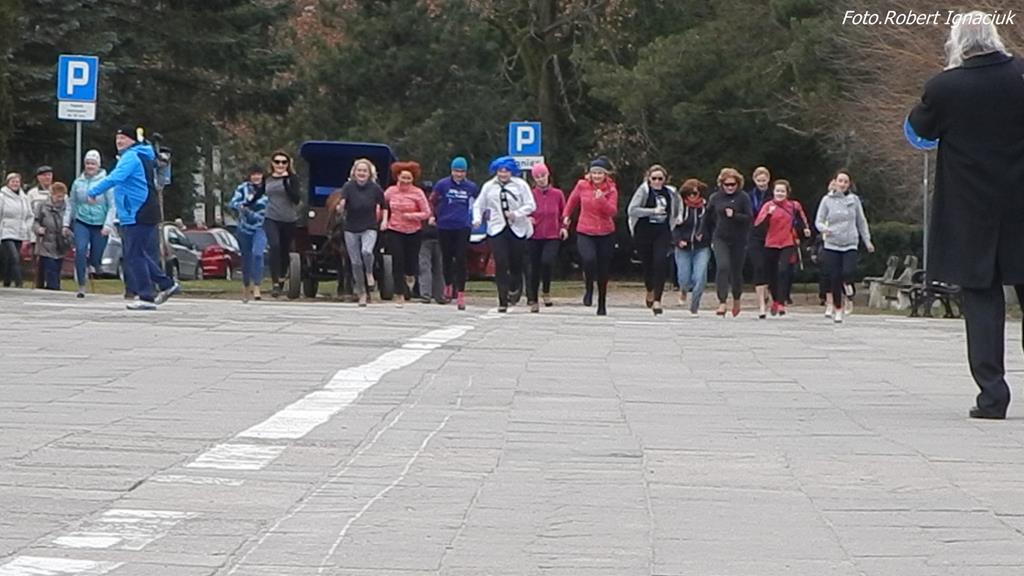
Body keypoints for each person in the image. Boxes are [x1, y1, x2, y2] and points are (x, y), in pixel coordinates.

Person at [907, 12, 1024, 420]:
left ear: (956, 44)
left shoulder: (945, 87)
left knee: (981, 301)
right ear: (996, 37)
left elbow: (917, 134)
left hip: (972, 210)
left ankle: (993, 396)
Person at [88, 126, 180, 310]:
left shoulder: (131, 156)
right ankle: (166, 284)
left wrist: (93, 191)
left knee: (135, 255)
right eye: (117, 138)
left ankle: (146, 296)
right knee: (137, 253)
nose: (119, 141)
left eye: (123, 138)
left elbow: (116, 177)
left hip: (138, 211)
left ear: (132, 140)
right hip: (138, 211)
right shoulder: (140, 155)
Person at [473, 156, 535, 312]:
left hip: (517, 228)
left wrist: (517, 213)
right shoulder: (489, 186)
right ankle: (502, 299)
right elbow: (478, 205)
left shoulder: (521, 185)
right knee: (500, 262)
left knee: (516, 263)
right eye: (500, 171)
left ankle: (515, 286)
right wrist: (477, 219)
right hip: (496, 228)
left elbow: (530, 205)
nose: (503, 174)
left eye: (506, 171)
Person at [814, 170, 874, 324]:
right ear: (835, 182)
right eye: (840, 181)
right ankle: (838, 308)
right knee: (834, 277)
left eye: (846, 182)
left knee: (848, 272)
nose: (842, 184)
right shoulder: (827, 200)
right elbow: (818, 221)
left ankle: (848, 289)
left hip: (850, 243)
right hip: (832, 244)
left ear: (849, 184)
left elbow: (861, 221)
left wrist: (867, 241)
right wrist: (824, 229)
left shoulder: (854, 200)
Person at [562, 157, 618, 316]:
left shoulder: (611, 189)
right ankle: (588, 287)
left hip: (605, 233)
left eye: (600, 173)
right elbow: (572, 202)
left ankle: (602, 303)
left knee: (603, 269)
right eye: (594, 173)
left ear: (605, 174)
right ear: (590, 174)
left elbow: (612, 212)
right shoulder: (582, 185)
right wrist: (566, 216)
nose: (597, 176)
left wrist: (601, 199)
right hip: (585, 230)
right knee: (589, 259)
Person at [753, 179, 811, 317]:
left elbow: (802, 220)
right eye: (777, 191)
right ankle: (775, 299)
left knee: (783, 270)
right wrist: (768, 215)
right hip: (771, 243)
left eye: (782, 191)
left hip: (787, 242)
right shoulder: (768, 206)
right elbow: (758, 226)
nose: (779, 193)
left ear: (787, 193)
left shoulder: (793, 206)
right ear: (773, 192)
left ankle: (781, 301)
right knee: (772, 273)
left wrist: (805, 230)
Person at [628, 164, 680, 316]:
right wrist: (652, 211)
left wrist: (675, 221)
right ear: (649, 179)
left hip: (662, 232)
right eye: (654, 178)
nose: (657, 181)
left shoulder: (670, 192)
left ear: (665, 179)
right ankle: (649, 289)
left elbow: (676, 210)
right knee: (648, 264)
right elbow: (632, 210)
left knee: (660, 262)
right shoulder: (643, 191)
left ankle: (658, 299)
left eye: (660, 179)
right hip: (644, 232)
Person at [701, 168, 752, 317]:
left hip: (739, 239)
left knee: (736, 271)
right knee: (723, 266)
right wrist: (701, 232)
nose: (730, 187)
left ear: (738, 184)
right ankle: (722, 301)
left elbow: (749, 218)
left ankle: (736, 298)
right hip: (720, 237)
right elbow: (707, 217)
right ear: (721, 184)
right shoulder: (715, 197)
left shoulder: (743, 197)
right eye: (727, 184)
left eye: (733, 184)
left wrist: (735, 215)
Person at [336, 158, 387, 307]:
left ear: (369, 173)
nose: (362, 173)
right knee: (356, 262)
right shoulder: (348, 186)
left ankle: (369, 273)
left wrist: (384, 221)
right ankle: (362, 293)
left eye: (365, 171)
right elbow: (342, 202)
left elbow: (384, 205)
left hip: (369, 226)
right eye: (359, 170)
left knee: (366, 251)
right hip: (351, 227)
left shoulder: (375, 188)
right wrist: (341, 206)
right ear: (354, 172)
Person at [65, 150, 116, 298]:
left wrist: (108, 225)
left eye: (93, 163)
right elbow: (71, 204)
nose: (90, 166)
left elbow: (112, 206)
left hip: (100, 224)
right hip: (82, 221)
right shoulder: (78, 183)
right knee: (80, 250)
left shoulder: (106, 182)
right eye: (87, 163)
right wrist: (66, 224)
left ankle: (94, 263)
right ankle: (81, 284)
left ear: (98, 165)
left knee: (96, 256)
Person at [431, 156, 479, 310]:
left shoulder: (471, 187)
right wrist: (433, 216)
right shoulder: (442, 184)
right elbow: (432, 201)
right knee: (446, 257)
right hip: (444, 225)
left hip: (463, 226)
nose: (459, 174)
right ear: (451, 171)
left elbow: (478, 204)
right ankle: (448, 285)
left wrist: (477, 219)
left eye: (462, 171)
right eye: (456, 171)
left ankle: (461, 293)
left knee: (461, 258)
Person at [384, 161, 431, 305]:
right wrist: (381, 219)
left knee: (411, 262)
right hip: (394, 229)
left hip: (413, 231)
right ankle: (399, 293)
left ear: (413, 179)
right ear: (397, 177)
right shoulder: (390, 191)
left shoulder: (417, 193)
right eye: (403, 177)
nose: (405, 181)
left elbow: (426, 212)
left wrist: (411, 216)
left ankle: (410, 276)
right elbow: (382, 205)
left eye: (408, 178)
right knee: (397, 260)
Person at [261, 151, 300, 298]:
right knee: (274, 246)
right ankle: (275, 282)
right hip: (271, 217)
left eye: (284, 162)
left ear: (288, 164)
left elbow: (296, 199)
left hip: (289, 219)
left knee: (284, 251)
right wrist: (247, 203)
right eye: (277, 162)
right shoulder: (267, 178)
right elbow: (260, 193)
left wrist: (285, 182)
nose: (280, 165)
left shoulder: (292, 179)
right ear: (272, 163)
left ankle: (282, 276)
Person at [526, 163, 565, 312]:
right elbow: (523, 210)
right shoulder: (530, 194)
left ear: (548, 175)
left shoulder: (557, 194)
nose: (541, 179)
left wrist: (564, 227)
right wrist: (527, 219)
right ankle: (533, 299)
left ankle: (546, 290)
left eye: (543, 176)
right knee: (534, 266)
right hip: (534, 235)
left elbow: (564, 213)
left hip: (552, 234)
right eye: (537, 177)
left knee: (547, 261)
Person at [229, 165, 270, 303]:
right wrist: (241, 206)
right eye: (253, 175)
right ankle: (246, 286)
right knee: (246, 258)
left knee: (257, 254)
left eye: (259, 174)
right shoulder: (243, 188)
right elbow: (233, 203)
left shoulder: (267, 190)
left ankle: (257, 286)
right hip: (244, 229)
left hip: (261, 228)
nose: (256, 177)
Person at [673, 178, 711, 315]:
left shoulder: (706, 208)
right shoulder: (680, 208)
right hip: (683, 248)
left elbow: (712, 225)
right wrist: (678, 240)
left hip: (702, 247)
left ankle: (695, 303)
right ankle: (683, 290)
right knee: (684, 278)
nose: (692, 196)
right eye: (689, 194)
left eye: (695, 193)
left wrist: (705, 235)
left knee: (700, 276)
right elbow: (673, 226)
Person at [746, 167, 773, 318]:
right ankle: (761, 304)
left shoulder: (774, 195)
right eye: (759, 180)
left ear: (768, 179)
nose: (762, 183)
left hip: (771, 234)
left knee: (769, 266)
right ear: (754, 180)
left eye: (764, 180)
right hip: (754, 234)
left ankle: (768, 290)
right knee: (758, 266)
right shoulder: (749, 196)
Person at [33, 181, 69, 290]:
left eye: (62, 196)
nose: (60, 199)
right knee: (50, 267)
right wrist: (38, 229)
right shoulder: (42, 206)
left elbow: (70, 222)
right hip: (46, 241)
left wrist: (67, 231)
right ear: (52, 194)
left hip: (60, 242)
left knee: (57, 267)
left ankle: (54, 287)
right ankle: (53, 288)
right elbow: (35, 221)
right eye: (58, 196)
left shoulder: (67, 207)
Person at [0, 173, 32, 287]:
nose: (15, 184)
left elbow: (29, 215)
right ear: (8, 183)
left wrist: (27, 228)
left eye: (17, 182)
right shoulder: (2, 196)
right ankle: (19, 282)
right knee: (14, 257)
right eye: (13, 181)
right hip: (6, 231)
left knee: (10, 259)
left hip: (20, 232)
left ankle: (7, 282)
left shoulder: (24, 198)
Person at [417, 180, 446, 304]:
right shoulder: (437, 203)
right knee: (433, 267)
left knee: (430, 267)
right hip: (429, 237)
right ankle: (436, 295)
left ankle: (429, 295)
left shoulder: (434, 204)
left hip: (431, 237)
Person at [27, 166, 55, 288]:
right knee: (38, 261)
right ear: (38, 178)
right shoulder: (32, 194)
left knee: (53, 261)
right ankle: (39, 286)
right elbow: (28, 213)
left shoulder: (56, 191)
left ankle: (53, 285)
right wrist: (33, 230)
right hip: (37, 232)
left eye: (49, 175)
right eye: (44, 175)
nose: (47, 178)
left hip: (53, 233)